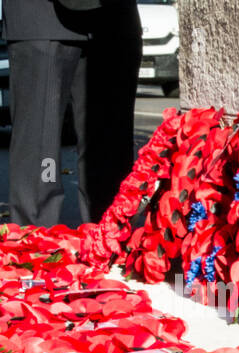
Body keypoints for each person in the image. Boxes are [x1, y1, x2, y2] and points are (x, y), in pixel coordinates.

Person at [4, 0, 142, 226]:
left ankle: (111, 250)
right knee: (41, 158)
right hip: (40, 15)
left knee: (110, 159)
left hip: (115, 18)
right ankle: (35, 252)